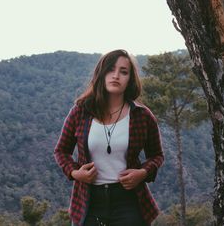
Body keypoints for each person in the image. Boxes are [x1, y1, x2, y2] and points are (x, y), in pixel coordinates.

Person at [54, 49, 164, 226]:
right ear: (101, 74)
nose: (116, 76)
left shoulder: (142, 115)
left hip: (128, 201)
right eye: (111, 70)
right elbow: (61, 151)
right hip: (89, 202)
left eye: (123, 72)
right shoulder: (80, 112)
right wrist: (75, 173)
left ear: (130, 79)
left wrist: (142, 173)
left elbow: (157, 155)